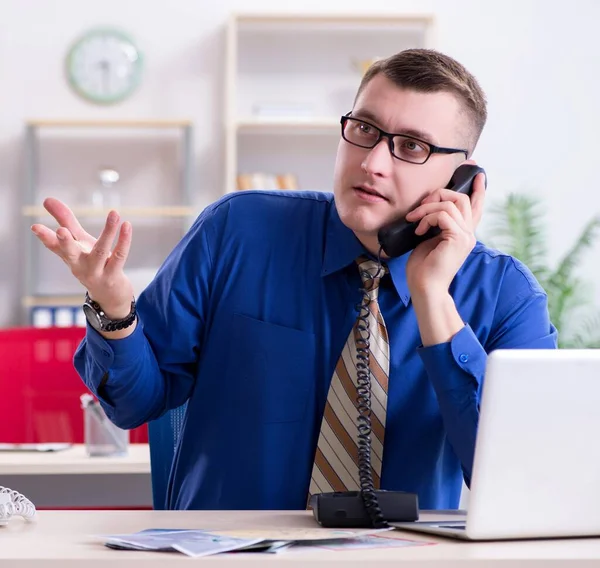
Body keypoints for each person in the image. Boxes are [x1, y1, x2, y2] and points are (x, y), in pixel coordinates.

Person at [32, 48, 557, 512]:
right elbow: (132, 406)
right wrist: (115, 310)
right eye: (366, 129)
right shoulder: (238, 231)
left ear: (464, 179)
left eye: (413, 147)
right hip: (231, 555)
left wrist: (432, 298)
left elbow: (522, 483)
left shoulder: (505, 296)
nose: (373, 162)